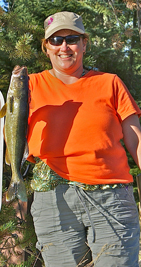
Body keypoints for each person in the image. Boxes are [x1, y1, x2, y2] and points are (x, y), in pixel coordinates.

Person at [27, 11, 141, 267]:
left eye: (72, 39)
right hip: (53, 199)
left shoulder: (110, 83)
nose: (64, 47)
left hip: (111, 198)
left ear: (84, 44)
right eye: (56, 40)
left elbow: (136, 140)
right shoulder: (28, 86)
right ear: (46, 47)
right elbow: (6, 135)